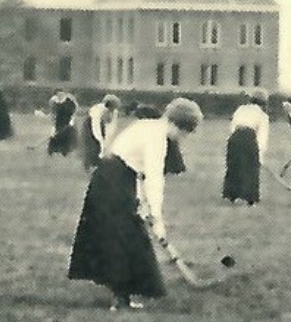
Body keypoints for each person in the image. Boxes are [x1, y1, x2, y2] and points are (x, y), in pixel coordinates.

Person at [68, 97, 203, 310]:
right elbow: (153, 178)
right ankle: (120, 300)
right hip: (113, 182)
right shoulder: (157, 138)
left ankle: (123, 297)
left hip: (111, 178)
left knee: (126, 238)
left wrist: (144, 205)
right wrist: (157, 217)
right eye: (185, 133)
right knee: (123, 239)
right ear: (178, 125)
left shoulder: (147, 125)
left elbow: (135, 171)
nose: (183, 138)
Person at [223, 88, 271, 204]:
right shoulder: (262, 115)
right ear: (263, 103)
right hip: (249, 137)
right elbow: (262, 137)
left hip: (235, 137)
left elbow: (233, 126)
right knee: (251, 168)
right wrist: (259, 156)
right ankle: (250, 198)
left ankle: (231, 195)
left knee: (234, 166)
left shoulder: (241, 109)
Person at [80, 94, 122, 169]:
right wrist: (101, 141)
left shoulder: (114, 112)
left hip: (101, 124)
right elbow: (95, 127)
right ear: (108, 106)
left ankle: (99, 164)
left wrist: (107, 141)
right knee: (92, 144)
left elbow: (112, 126)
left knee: (102, 146)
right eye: (111, 108)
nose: (112, 111)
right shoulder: (97, 111)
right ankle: (90, 165)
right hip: (90, 125)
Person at [45, 91, 81, 156]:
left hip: (67, 120)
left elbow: (74, 110)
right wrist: (53, 125)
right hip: (59, 121)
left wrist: (72, 120)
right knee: (55, 135)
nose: (60, 95)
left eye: (62, 94)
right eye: (59, 94)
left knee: (67, 136)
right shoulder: (54, 101)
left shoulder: (70, 101)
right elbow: (53, 113)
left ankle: (65, 151)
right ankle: (51, 150)